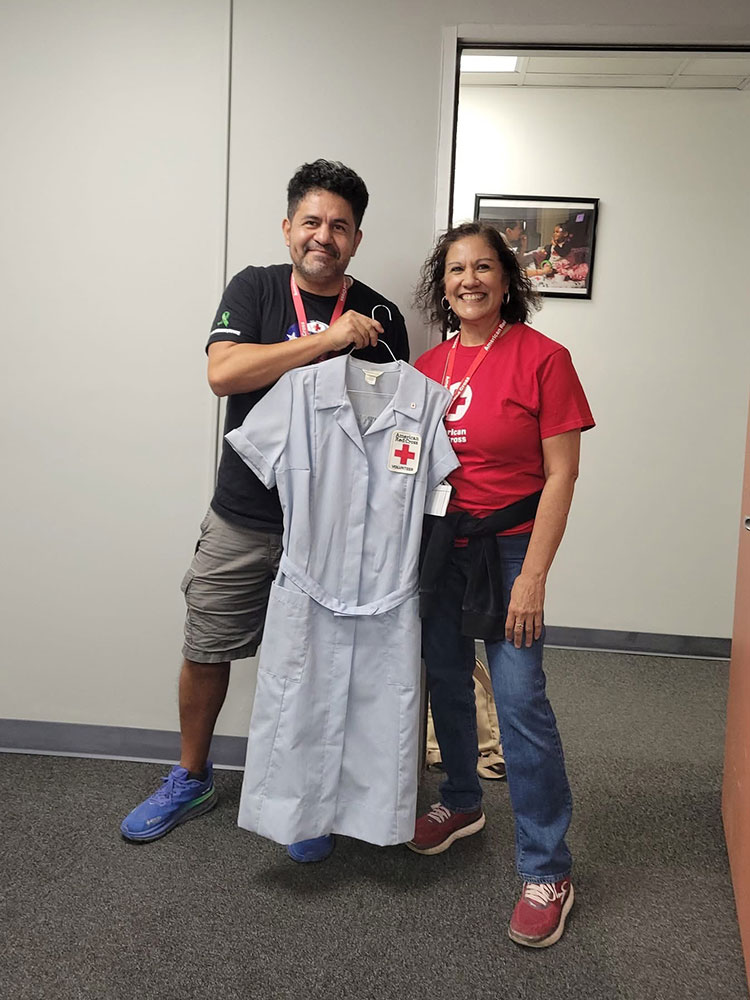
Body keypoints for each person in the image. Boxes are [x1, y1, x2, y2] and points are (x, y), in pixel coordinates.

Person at [120, 159, 409, 863]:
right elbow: (223, 373)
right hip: (244, 514)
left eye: (339, 226)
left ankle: (308, 798)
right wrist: (326, 342)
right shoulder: (253, 288)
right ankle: (191, 776)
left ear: (356, 239)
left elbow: (392, 424)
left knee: (318, 663)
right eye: (311, 221)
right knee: (207, 644)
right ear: (287, 228)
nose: (323, 236)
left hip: (329, 525)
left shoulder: (382, 317)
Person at [410, 221, 594, 948]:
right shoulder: (428, 366)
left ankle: (548, 867)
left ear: (507, 279)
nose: (470, 280)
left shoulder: (544, 359)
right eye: (456, 269)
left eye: (484, 267)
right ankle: (461, 800)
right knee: (445, 682)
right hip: (443, 547)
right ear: (443, 284)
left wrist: (534, 578)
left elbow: (562, 474)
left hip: (512, 549)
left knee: (519, 702)